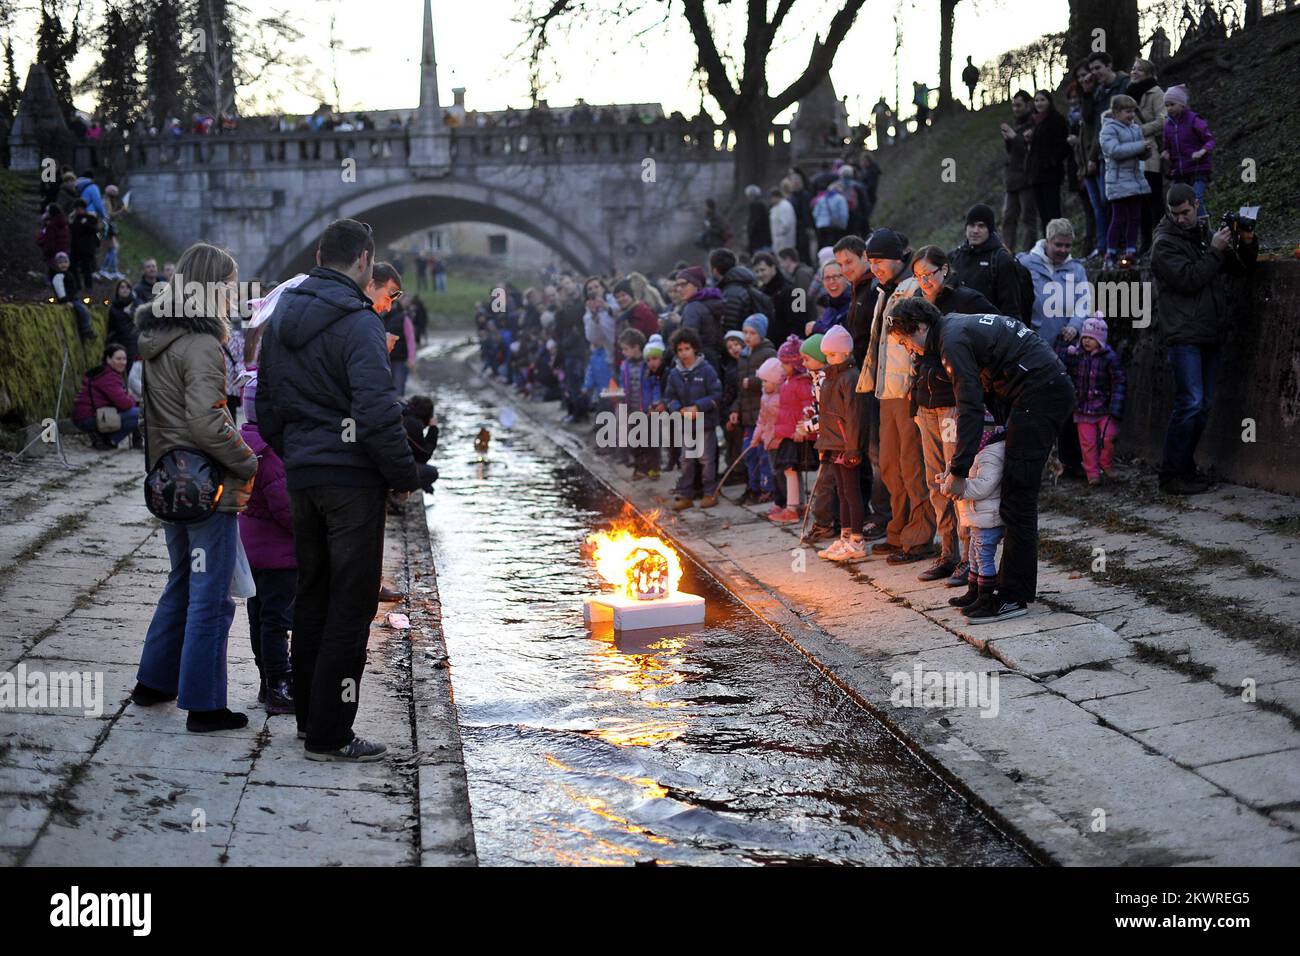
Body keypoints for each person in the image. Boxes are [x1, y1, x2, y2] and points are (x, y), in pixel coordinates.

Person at [255, 219, 433, 761]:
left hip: (306, 476)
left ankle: (311, 719)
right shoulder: (358, 322)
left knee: (312, 595)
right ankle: (332, 734)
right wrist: (407, 474)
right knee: (350, 607)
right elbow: (376, 415)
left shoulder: (284, 313)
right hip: (350, 482)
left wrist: (298, 454)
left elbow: (267, 405)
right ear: (363, 260)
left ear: (317, 253)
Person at [130, 242, 261, 732]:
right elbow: (208, 422)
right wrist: (247, 461)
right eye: (228, 282)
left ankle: (154, 682)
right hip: (207, 483)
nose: (234, 292)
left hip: (170, 478)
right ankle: (205, 706)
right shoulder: (204, 343)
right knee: (212, 596)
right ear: (211, 286)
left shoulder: (158, 337)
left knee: (182, 581)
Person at [888, 297, 1076, 623]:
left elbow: (971, 405)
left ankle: (1012, 596)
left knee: (1018, 497)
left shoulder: (952, 340)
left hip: (1042, 392)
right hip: (1031, 391)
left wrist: (959, 469)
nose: (907, 348)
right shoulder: (953, 329)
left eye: (905, 340)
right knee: (1012, 493)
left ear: (920, 327)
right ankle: (987, 588)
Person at [1150, 182, 1257, 495]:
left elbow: (1238, 269)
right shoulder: (1165, 242)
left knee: (1203, 405)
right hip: (1183, 334)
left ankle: (1186, 469)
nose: (1181, 218)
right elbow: (1189, 279)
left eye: (1185, 212)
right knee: (1190, 403)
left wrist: (1247, 241)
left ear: (1196, 204)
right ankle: (1170, 475)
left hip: (1209, 330)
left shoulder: (1201, 232)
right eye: (1176, 214)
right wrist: (1215, 249)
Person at [909, 246, 998, 585]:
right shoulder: (920, 305)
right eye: (918, 277)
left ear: (945, 270)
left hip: (952, 401)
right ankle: (948, 553)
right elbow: (917, 357)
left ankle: (970, 556)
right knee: (935, 482)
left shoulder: (966, 300)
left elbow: (996, 327)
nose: (924, 281)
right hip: (925, 403)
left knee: (956, 478)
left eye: (929, 274)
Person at [857, 228, 936, 565]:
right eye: (871, 262)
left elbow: (923, 341)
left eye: (880, 261)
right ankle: (898, 530)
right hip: (885, 392)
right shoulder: (884, 291)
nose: (874, 267)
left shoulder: (915, 288)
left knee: (912, 465)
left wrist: (917, 386)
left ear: (898, 258)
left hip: (908, 391)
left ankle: (919, 538)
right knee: (889, 466)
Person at [237, 371, 296, 715]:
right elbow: (285, 509)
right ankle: (279, 685)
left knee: (258, 616)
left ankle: (265, 682)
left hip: (251, 546)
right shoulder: (271, 455)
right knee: (277, 621)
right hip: (279, 553)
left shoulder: (245, 442)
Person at [833, 234, 891, 539]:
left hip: (876, 381)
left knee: (878, 453)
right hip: (861, 380)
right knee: (868, 450)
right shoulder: (858, 290)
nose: (844, 269)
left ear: (865, 258)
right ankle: (875, 512)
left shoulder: (874, 290)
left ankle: (885, 515)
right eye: (840, 263)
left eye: (849, 262)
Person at [813, 324, 868, 562]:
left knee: (852, 492)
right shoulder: (828, 379)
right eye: (826, 355)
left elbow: (855, 416)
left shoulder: (850, 378)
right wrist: (823, 445)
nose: (829, 358)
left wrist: (854, 448)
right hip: (833, 444)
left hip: (847, 446)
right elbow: (826, 416)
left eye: (833, 354)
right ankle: (845, 537)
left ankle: (857, 540)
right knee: (841, 493)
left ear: (846, 352)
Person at [1054, 315, 1126, 486]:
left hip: (1104, 409)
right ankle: (1092, 473)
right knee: (1087, 444)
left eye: (1091, 338)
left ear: (1100, 340)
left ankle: (1106, 463)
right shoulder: (1076, 356)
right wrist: (1062, 342)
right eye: (1084, 337)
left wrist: (1116, 407)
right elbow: (1058, 358)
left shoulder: (1109, 358)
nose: (1086, 341)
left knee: (1109, 437)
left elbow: (1119, 381)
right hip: (1083, 409)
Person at [947, 414, 1007, 615]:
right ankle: (973, 591)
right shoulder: (977, 452)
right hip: (978, 517)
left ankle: (986, 596)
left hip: (989, 518)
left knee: (984, 557)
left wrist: (959, 487)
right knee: (973, 555)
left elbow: (983, 487)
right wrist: (947, 479)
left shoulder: (992, 455)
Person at [665, 327, 723, 511]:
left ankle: (709, 492)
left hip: (704, 423)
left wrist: (698, 406)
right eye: (680, 350)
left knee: (706, 459)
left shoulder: (706, 370)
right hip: (686, 424)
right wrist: (678, 409)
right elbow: (669, 397)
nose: (684, 353)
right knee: (687, 459)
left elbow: (716, 394)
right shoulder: (675, 374)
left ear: (695, 348)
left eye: (687, 349)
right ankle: (686, 494)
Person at [1099, 94, 1152, 269]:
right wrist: (1139, 146)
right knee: (1119, 218)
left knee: (1135, 218)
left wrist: (1146, 151)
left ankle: (1131, 250)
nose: (1131, 115)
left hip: (1135, 181)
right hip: (1118, 183)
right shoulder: (1108, 130)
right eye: (1127, 111)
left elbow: (1139, 153)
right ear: (1115, 112)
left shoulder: (1135, 128)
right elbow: (1115, 151)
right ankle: (1111, 252)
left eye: (1132, 111)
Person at [729, 314, 778, 503]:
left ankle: (768, 488)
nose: (748, 337)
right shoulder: (743, 356)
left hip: (763, 414)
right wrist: (735, 410)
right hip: (747, 416)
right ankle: (753, 486)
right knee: (748, 452)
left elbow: (775, 380)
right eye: (745, 332)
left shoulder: (768, 353)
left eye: (752, 333)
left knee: (763, 454)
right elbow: (740, 391)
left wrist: (755, 382)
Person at [767, 335, 814, 524]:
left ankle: (793, 508)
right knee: (789, 470)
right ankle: (794, 506)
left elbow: (807, 407)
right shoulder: (787, 380)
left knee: (791, 470)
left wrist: (803, 429)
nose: (782, 366)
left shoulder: (802, 383)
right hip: (787, 433)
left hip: (796, 434)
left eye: (785, 363)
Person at [949, 203, 1023, 319]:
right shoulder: (954, 257)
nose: (975, 230)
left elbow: (1011, 307)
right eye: (971, 225)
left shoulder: (1001, 259)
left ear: (990, 229)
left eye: (981, 226)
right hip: (957, 330)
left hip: (990, 331)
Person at [1128, 58, 1166, 256]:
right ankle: (1145, 243)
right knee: (1139, 202)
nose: (1134, 72)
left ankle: (1160, 240)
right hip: (1132, 153)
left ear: (1148, 74)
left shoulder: (1156, 92)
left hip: (1150, 152)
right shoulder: (1127, 94)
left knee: (1154, 198)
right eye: (1133, 68)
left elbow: (1163, 119)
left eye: (1139, 70)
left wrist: (1141, 130)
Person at [71, 342, 140, 450]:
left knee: (134, 411)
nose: (122, 362)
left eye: (124, 359)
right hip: (89, 418)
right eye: (118, 359)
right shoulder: (109, 377)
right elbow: (125, 404)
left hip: (88, 415)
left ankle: (103, 437)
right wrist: (131, 398)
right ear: (108, 359)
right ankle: (110, 440)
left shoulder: (105, 373)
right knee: (138, 413)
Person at [1160, 85, 1214, 220]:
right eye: (1167, 105)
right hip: (1179, 171)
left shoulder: (1195, 120)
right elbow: (1166, 144)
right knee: (1176, 201)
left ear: (1182, 104)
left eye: (1172, 104)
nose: (1169, 108)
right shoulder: (1168, 125)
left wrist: (1202, 151)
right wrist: (1166, 152)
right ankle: (1185, 229)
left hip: (1198, 168)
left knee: (1196, 198)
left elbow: (1209, 140)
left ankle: (1204, 229)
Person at [1025, 90, 1070, 233]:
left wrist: (1050, 162)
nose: (1039, 103)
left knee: (1053, 213)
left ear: (1049, 102)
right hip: (1036, 175)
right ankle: (1047, 245)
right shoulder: (1034, 122)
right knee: (1043, 215)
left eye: (1042, 100)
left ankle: (1058, 241)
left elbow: (1062, 145)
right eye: (1037, 100)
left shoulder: (1056, 119)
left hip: (1050, 174)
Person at [999, 91, 1037, 254]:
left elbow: (1030, 151)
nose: (1015, 109)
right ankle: (1008, 252)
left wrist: (1015, 137)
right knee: (1008, 218)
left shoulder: (1034, 124)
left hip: (1027, 178)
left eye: (1019, 105)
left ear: (1028, 105)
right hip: (1012, 179)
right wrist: (1009, 140)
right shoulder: (1017, 124)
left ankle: (1028, 253)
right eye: (1014, 105)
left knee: (1028, 218)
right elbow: (1013, 152)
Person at [751, 252, 799, 345]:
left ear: (773, 268)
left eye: (763, 270)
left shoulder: (793, 290)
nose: (760, 274)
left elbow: (799, 323)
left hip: (788, 345)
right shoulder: (760, 291)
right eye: (756, 271)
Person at [768, 187, 797, 259]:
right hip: (778, 240)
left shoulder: (785, 206)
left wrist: (779, 233)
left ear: (776, 197)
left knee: (786, 258)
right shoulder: (775, 207)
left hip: (784, 239)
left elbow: (787, 223)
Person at [745, 184, 772, 253]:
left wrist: (749, 231)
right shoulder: (763, 204)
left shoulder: (755, 205)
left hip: (758, 240)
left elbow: (754, 222)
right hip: (765, 239)